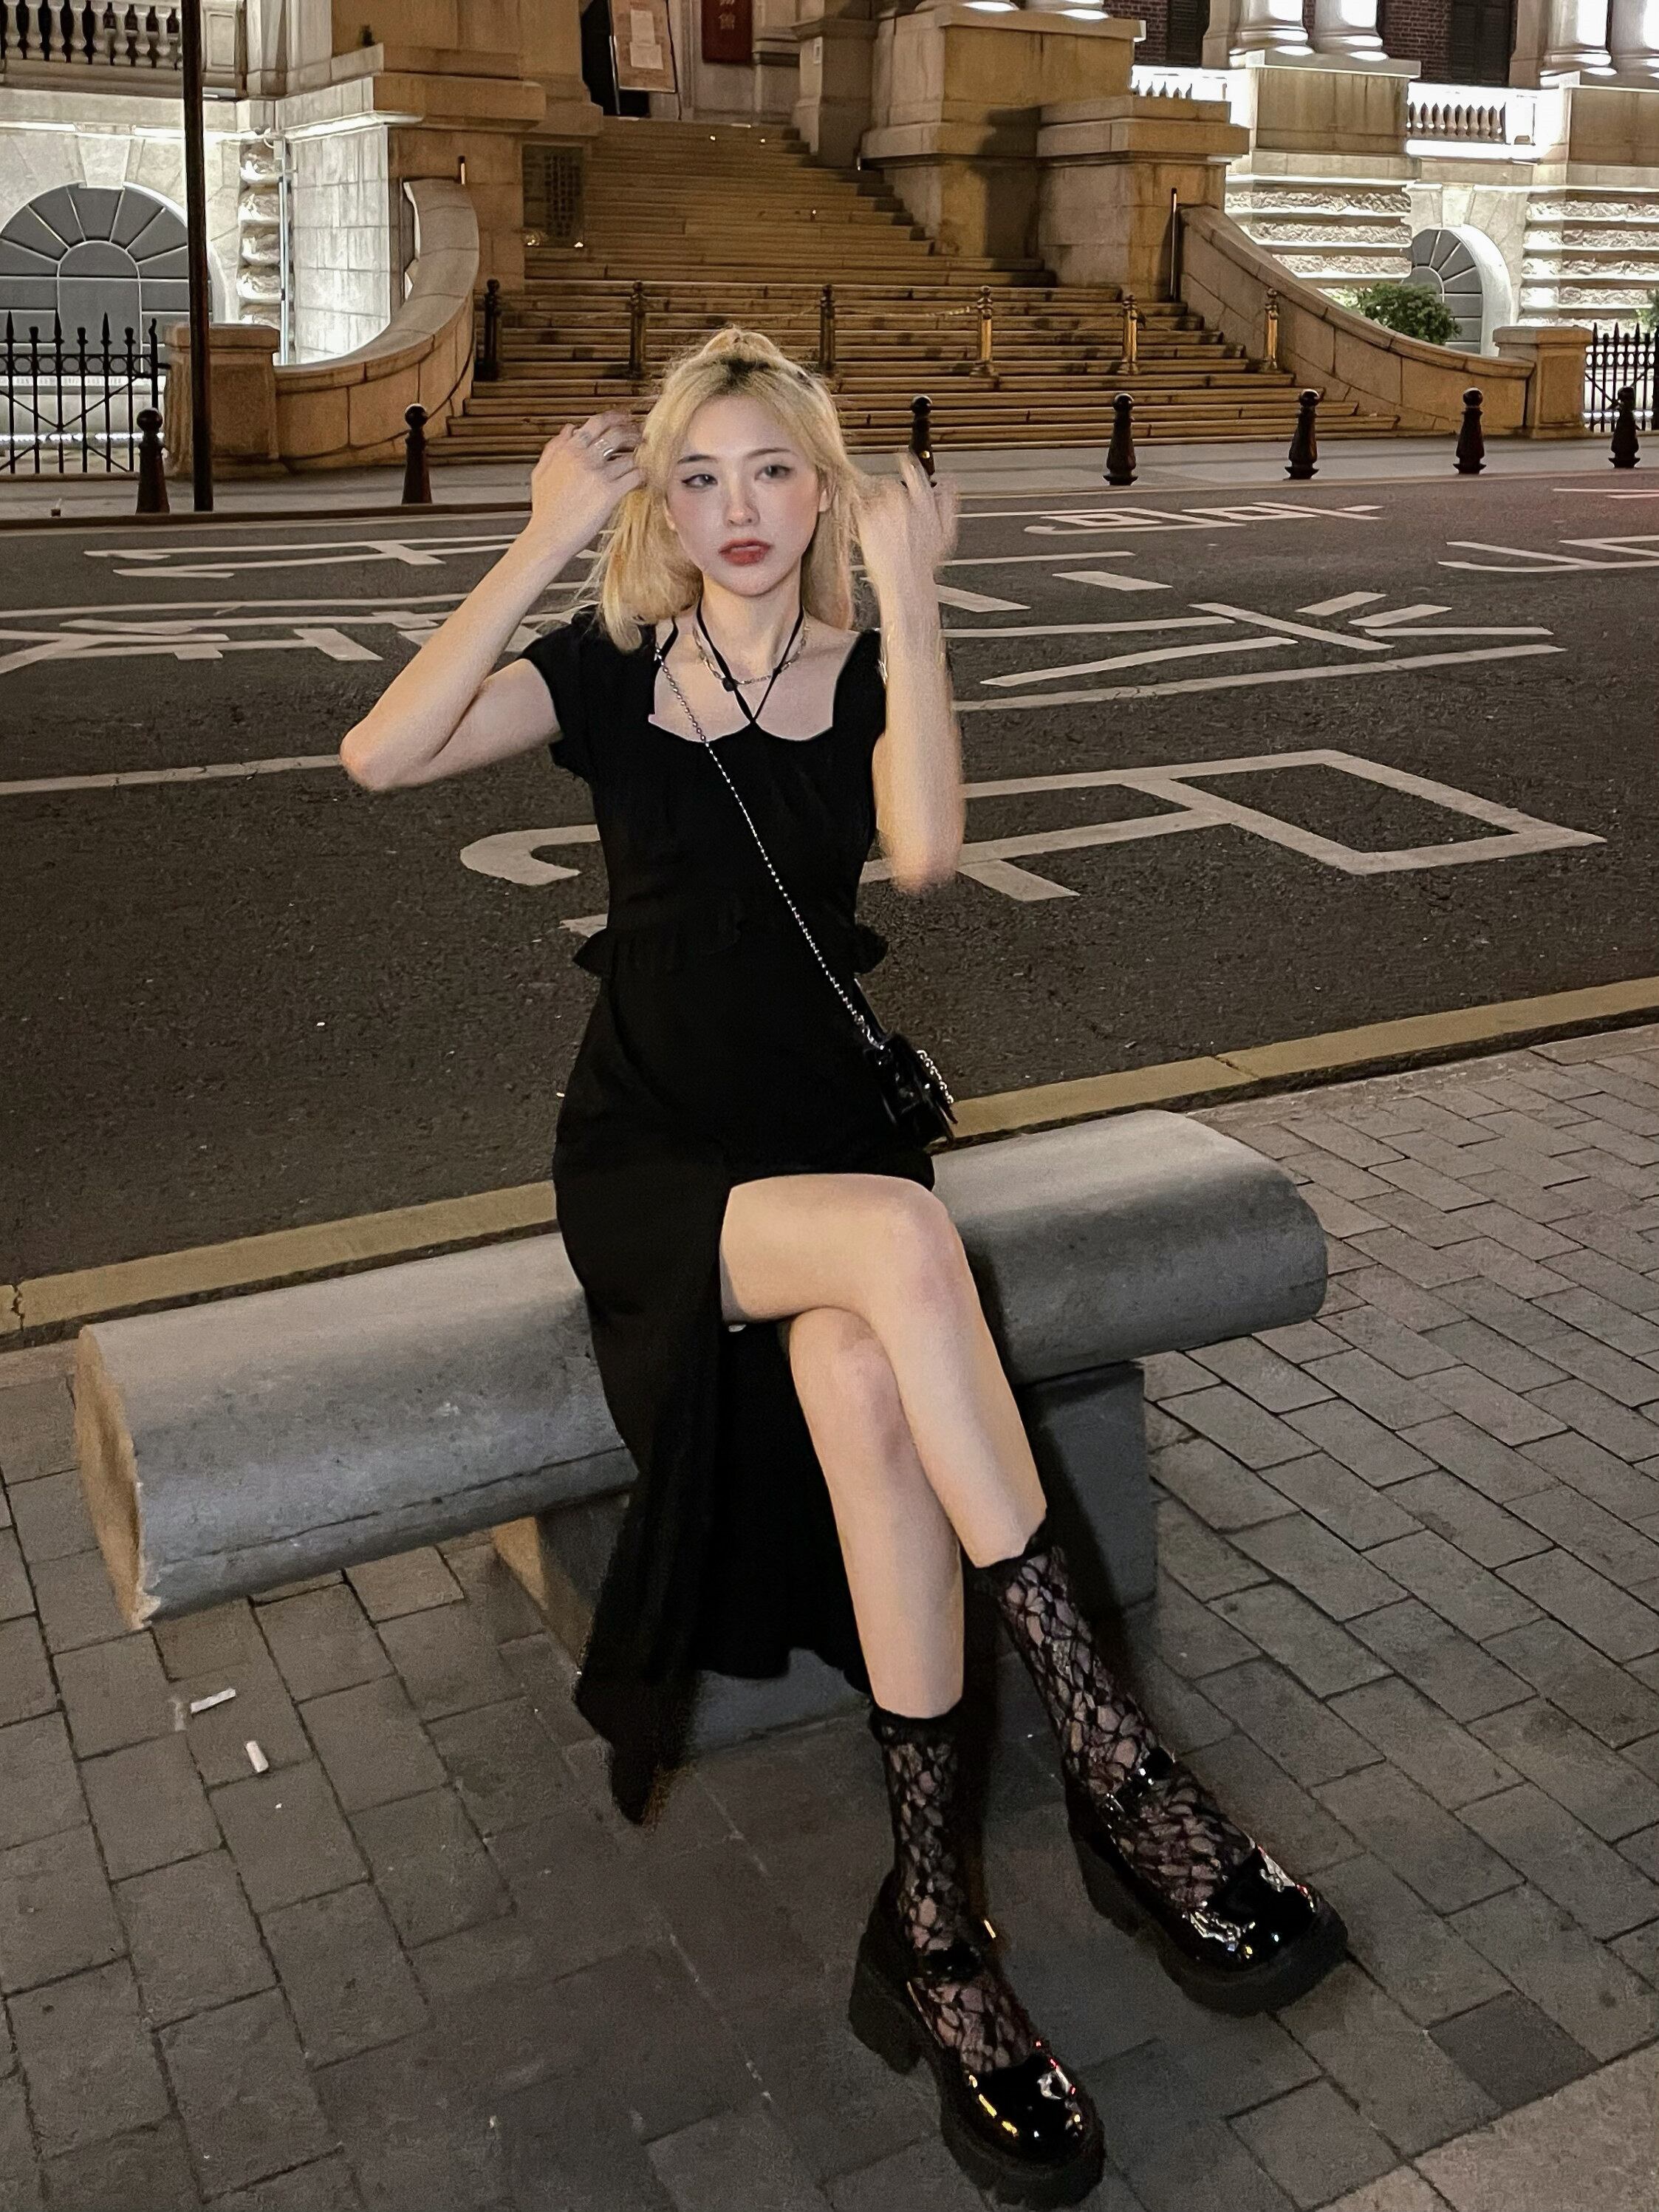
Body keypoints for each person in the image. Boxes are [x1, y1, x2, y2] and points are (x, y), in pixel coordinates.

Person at [340, 327, 1346, 2208]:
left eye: (771, 472)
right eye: (695, 477)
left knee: (871, 1386)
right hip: (662, 1168)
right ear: (659, 502)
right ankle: (1118, 1758)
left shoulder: (863, 662)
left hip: (826, 1135)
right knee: (899, 1238)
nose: (735, 510)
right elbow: (380, 754)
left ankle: (936, 1931)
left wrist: (911, 599)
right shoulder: (608, 670)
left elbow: (929, 850)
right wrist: (545, 536)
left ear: (825, 490)